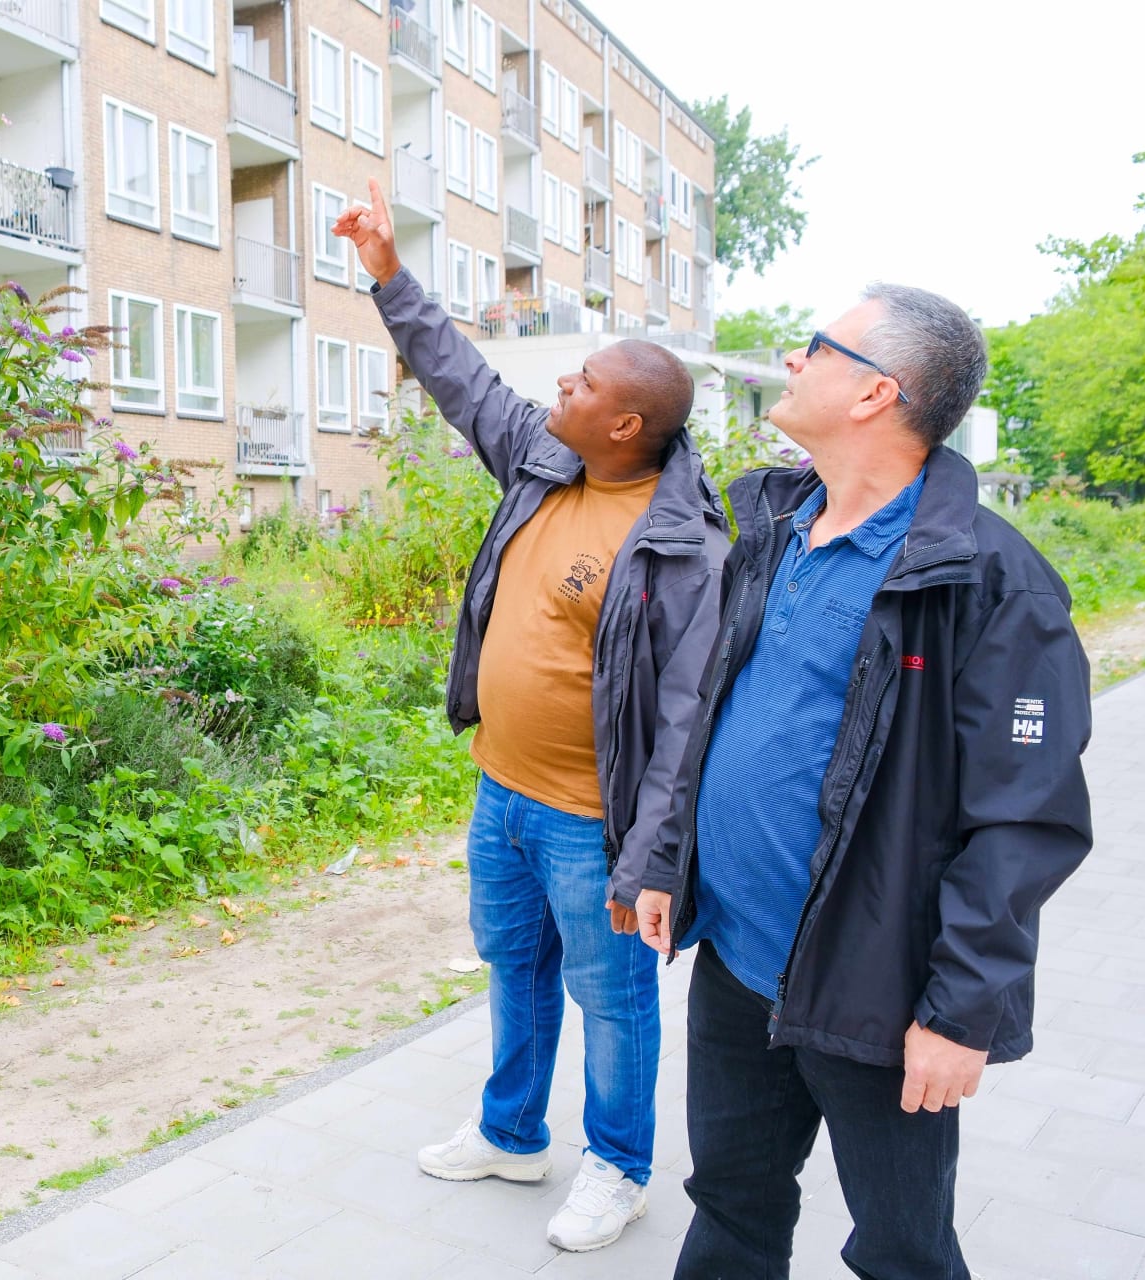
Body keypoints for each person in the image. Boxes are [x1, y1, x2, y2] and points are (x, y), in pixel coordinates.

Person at [629, 286, 1094, 1279]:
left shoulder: (988, 579)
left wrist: (962, 1013)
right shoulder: (774, 526)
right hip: (738, 963)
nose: (792, 362)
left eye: (813, 347)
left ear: (877, 392)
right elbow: (715, 712)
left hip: (878, 988)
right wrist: (671, 857)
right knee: (729, 1207)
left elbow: (1024, 820)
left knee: (902, 1247)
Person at [334, 180, 727, 1253]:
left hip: (588, 822)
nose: (562, 380)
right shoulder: (547, 458)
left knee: (615, 1003)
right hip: (502, 789)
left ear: (627, 421)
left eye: (585, 379)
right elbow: (460, 379)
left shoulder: (688, 547)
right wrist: (387, 269)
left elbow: (688, 719)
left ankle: (618, 1165)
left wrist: (650, 857)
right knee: (514, 963)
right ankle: (512, 1131)